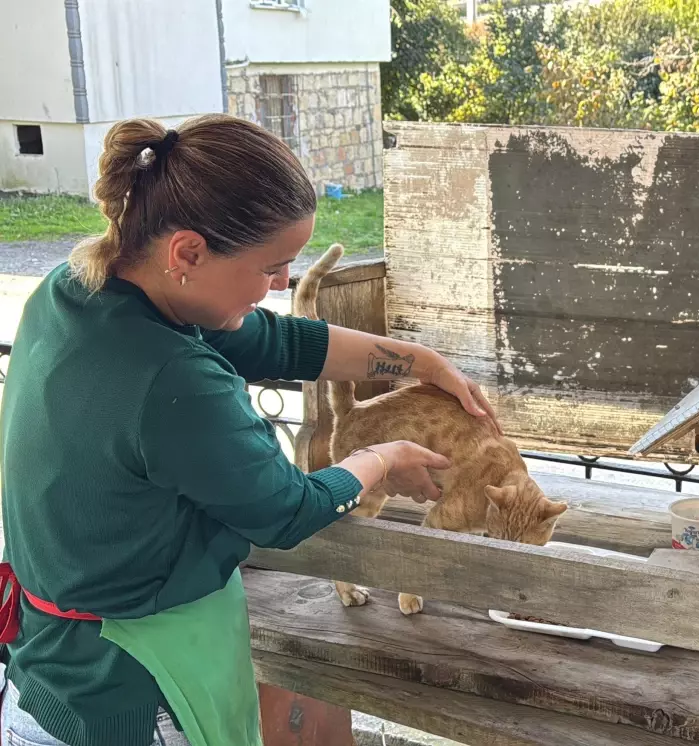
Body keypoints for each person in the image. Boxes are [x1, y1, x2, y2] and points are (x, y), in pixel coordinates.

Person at [0, 114, 497, 746]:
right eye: (272, 267)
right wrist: (379, 458)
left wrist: (424, 363)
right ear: (187, 251)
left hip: (42, 675)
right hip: (133, 695)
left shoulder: (74, 288)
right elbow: (286, 510)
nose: (282, 284)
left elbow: (282, 341)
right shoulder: (174, 380)